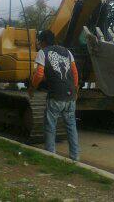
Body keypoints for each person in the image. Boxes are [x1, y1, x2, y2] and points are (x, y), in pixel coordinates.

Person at [29, 30, 80, 161]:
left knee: (51, 126)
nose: (39, 44)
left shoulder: (43, 52)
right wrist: (75, 90)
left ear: (43, 41)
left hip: (55, 96)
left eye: (40, 41)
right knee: (71, 126)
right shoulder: (67, 52)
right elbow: (75, 73)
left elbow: (39, 74)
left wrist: (32, 88)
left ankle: (51, 154)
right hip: (70, 95)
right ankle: (75, 157)